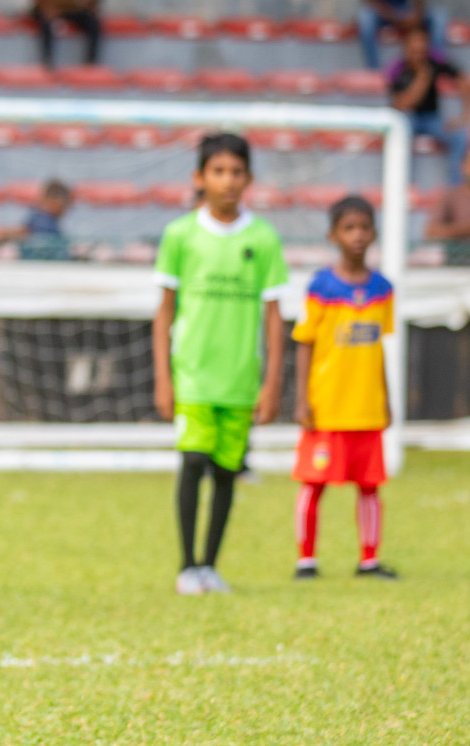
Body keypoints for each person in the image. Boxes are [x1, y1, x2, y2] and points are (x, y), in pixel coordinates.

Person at [152, 133, 288, 596]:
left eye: (236, 172)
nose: (228, 181)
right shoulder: (180, 235)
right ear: (200, 177)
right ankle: (187, 566)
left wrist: (272, 384)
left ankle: (211, 565)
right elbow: (164, 311)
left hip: (239, 378)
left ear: (248, 178)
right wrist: (163, 378)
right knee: (193, 462)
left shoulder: (263, 238)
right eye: (218, 171)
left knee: (228, 472)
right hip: (191, 372)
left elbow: (274, 316)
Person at [292, 196, 399, 581]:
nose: (357, 235)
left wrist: (386, 398)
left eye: (364, 227)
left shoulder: (384, 289)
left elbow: (379, 349)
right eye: (349, 228)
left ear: (374, 233)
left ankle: (368, 560)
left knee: (370, 487)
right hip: (328, 406)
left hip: (366, 407)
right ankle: (306, 560)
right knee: (314, 484)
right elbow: (304, 342)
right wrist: (302, 398)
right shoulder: (321, 285)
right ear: (333, 235)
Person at [388, 26, 470, 185]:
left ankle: (454, 185)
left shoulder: (434, 62)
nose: (419, 53)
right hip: (408, 119)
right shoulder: (397, 68)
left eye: (422, 49)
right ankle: (402, 182)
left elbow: (463, 81)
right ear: (406, 48)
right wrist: (422, 78)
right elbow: (401, 104)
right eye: (415, 49)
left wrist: (466, 115)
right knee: (401, 129)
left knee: (459, 136)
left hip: (432, 119)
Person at [359, 0, 447, 70]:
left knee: (439, 17)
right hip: (383, 11)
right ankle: (374, 70)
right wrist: (396, 18)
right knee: (365, 20)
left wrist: (416, 15)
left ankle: (437, 67)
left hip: (408, 9)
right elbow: (372, 2)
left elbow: (420, 3)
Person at [32, 0, 102, 68]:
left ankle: (91, 61)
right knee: (46, 23)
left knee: (93, 23)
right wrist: (49, 9)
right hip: (46, 8)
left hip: (69, 9)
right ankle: (46, 60)